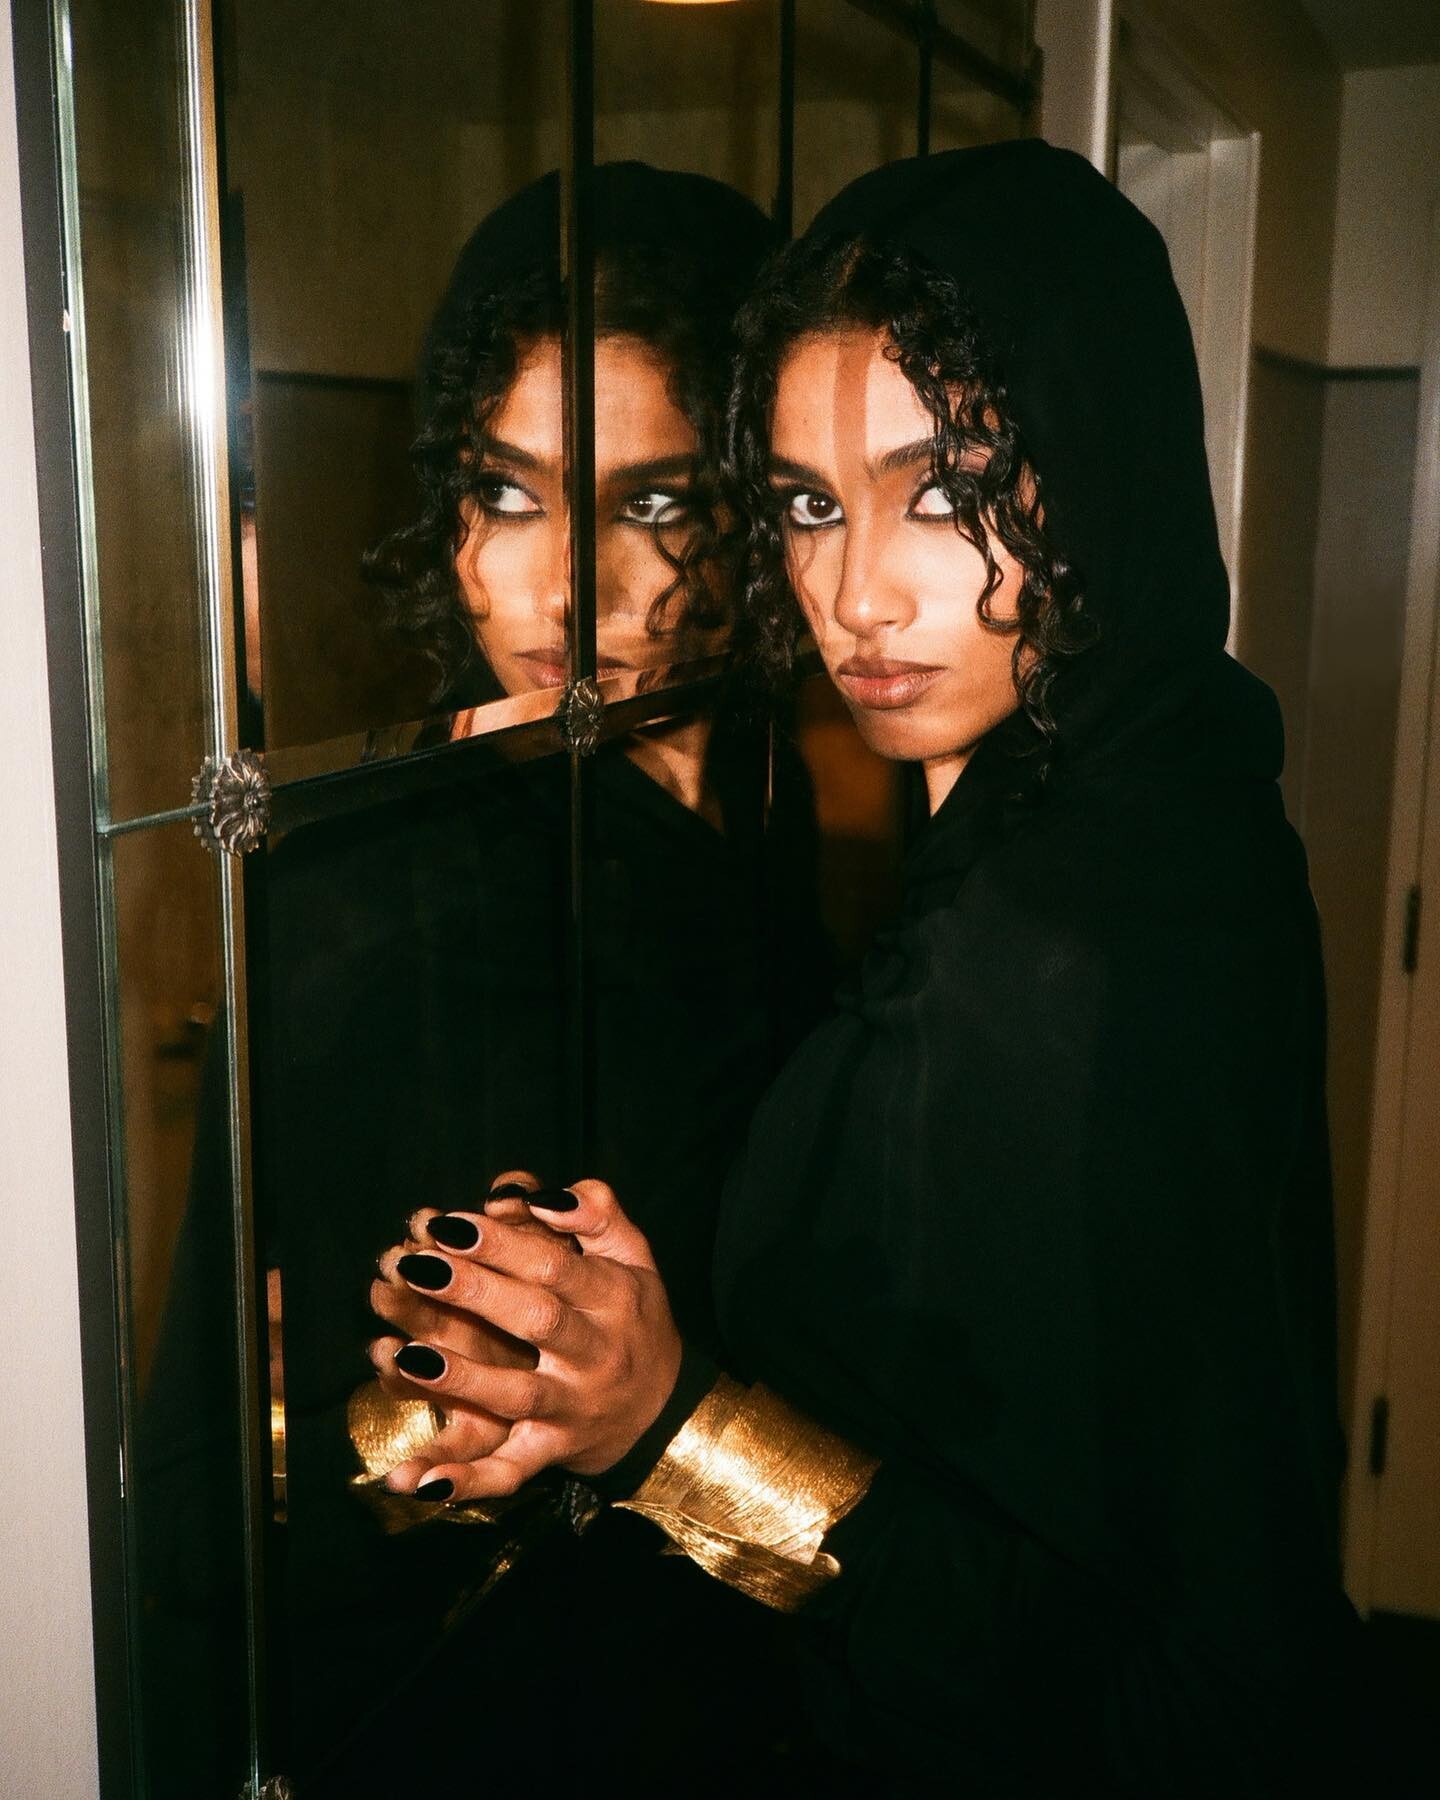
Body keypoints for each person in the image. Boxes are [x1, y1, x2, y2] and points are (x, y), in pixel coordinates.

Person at [372, 141, 1366, 1795]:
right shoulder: (1157, 788)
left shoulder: (1057, 948)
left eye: (948, 491)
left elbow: (1156, 1677)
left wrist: (674, 1428)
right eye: (810, 507)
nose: (856, 597)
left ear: (1098, 463)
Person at [141, 165, 829, 1795]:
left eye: (657, 504)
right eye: (507, 495)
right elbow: (231, 1497)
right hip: (448, 1710)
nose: (565, 588)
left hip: (706, 1702)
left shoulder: (764, 809)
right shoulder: (379, 878)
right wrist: (422, 1423)